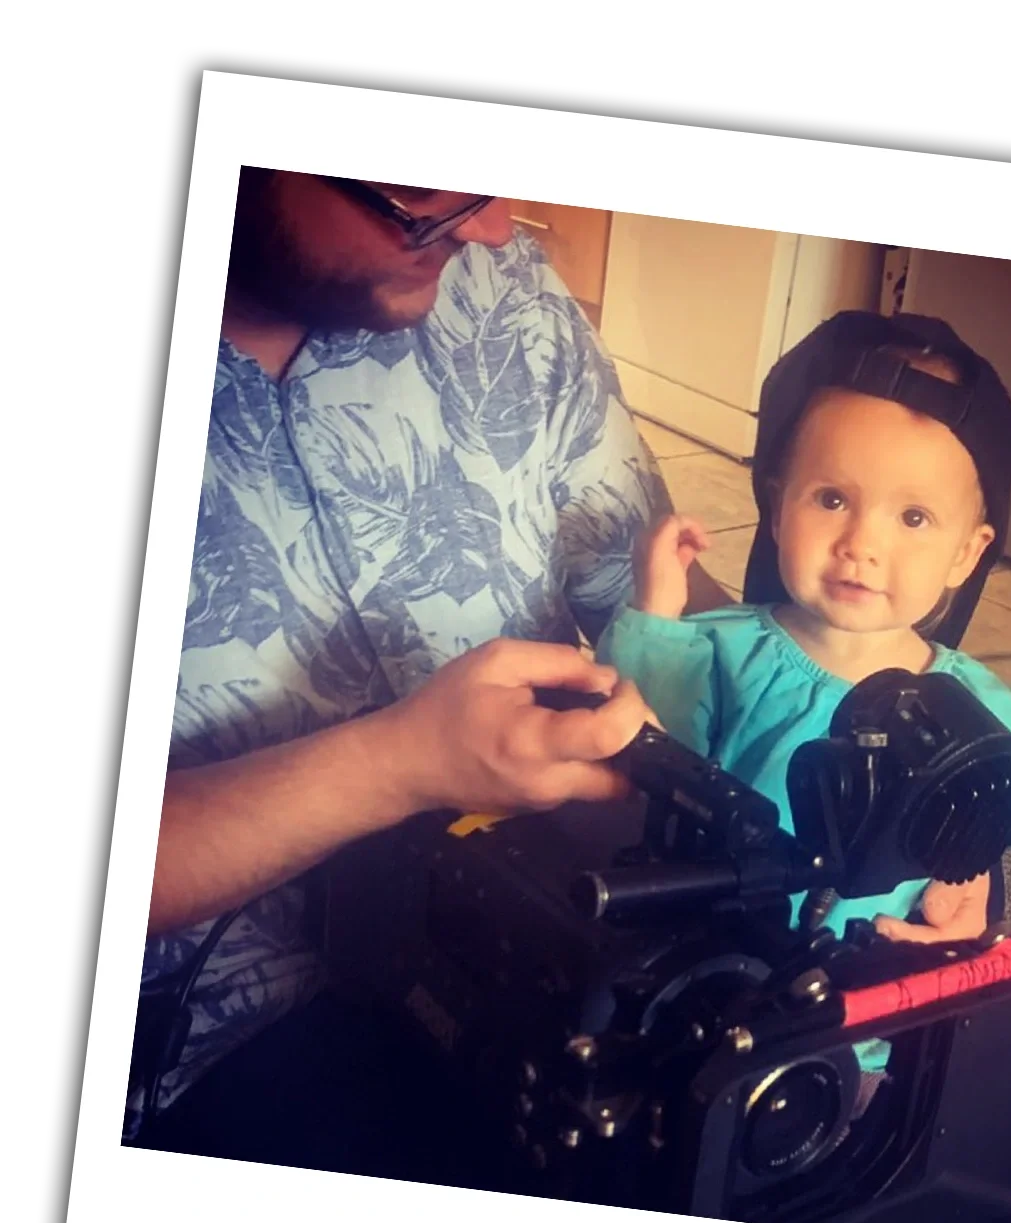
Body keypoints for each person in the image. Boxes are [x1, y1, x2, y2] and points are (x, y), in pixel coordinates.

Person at [134, 170, 726, 1144]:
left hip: (550, 930)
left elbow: (654, 608)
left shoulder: (506, 291)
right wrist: (393, 764)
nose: (489, 230)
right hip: (213, 1045)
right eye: (422, 191)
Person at [597, 310, 1011, 1081]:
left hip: (861, 1010)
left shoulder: (970, 708)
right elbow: (645, 754)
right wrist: (657, 615)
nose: (862, 543)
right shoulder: (719, 650)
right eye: (831, 499)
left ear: (965, 554)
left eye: (913, 516)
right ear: (777, 504)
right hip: (700, 978)